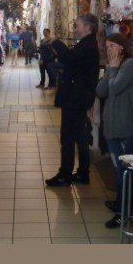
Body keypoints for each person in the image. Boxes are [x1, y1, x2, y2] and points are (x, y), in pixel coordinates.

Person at [45, 13, 100, 187]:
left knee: (68, 136)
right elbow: (71, 61)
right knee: (79, 135)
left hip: (76, 98)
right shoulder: (87, 44)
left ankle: (64, 175)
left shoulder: (88, 45)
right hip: (78, 97)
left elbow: (69, 58)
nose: (75, 28)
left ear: (88, 27)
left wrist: (55, 41)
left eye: (77, 25)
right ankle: (83, 172)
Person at [95, 33, 133, 229]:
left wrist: (112, 70)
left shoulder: (130, 65)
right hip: (113, 127)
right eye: (107, 47)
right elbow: (101, 91)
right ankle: (119, 203)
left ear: (122, 47)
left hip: (126, 127)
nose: (109, 50)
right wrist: (110, 71)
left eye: (113, 45)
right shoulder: (114, 67)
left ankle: (124, 212)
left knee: (127, 172)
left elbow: (114, 88)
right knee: (118, 169)